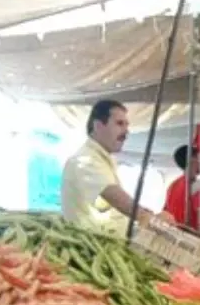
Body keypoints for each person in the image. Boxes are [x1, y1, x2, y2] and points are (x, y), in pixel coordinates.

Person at [61, 99, 172, 234]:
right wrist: (149, 219)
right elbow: (113, 195)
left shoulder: (105, 160)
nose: (126, 132)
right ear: (98, 126)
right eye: (119, 124)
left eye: (127, 125)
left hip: (112, 242)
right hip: (92, 249)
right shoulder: (84, 160)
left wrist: (149, 214)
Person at [162, 145, 200, 229]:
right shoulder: (197, 184)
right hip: (191, 236)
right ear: (192, 159)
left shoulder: (172, 186)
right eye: (198, 158)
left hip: (174, 234)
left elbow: (165, 213)